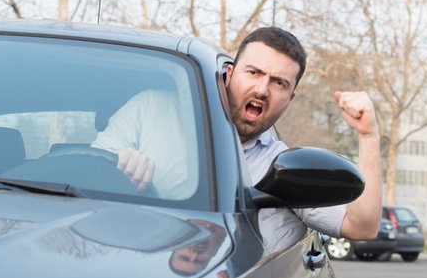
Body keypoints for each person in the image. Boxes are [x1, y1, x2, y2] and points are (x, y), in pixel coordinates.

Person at [108, 27, 382, 254]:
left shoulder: (281, 166)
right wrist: (116, 166)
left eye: (279, 83)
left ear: (290, 99)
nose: (262, 89)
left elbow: (362, 227)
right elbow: (84, 165)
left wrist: (368, 135)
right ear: (228, 75)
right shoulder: (148, 108)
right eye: (253, 73)